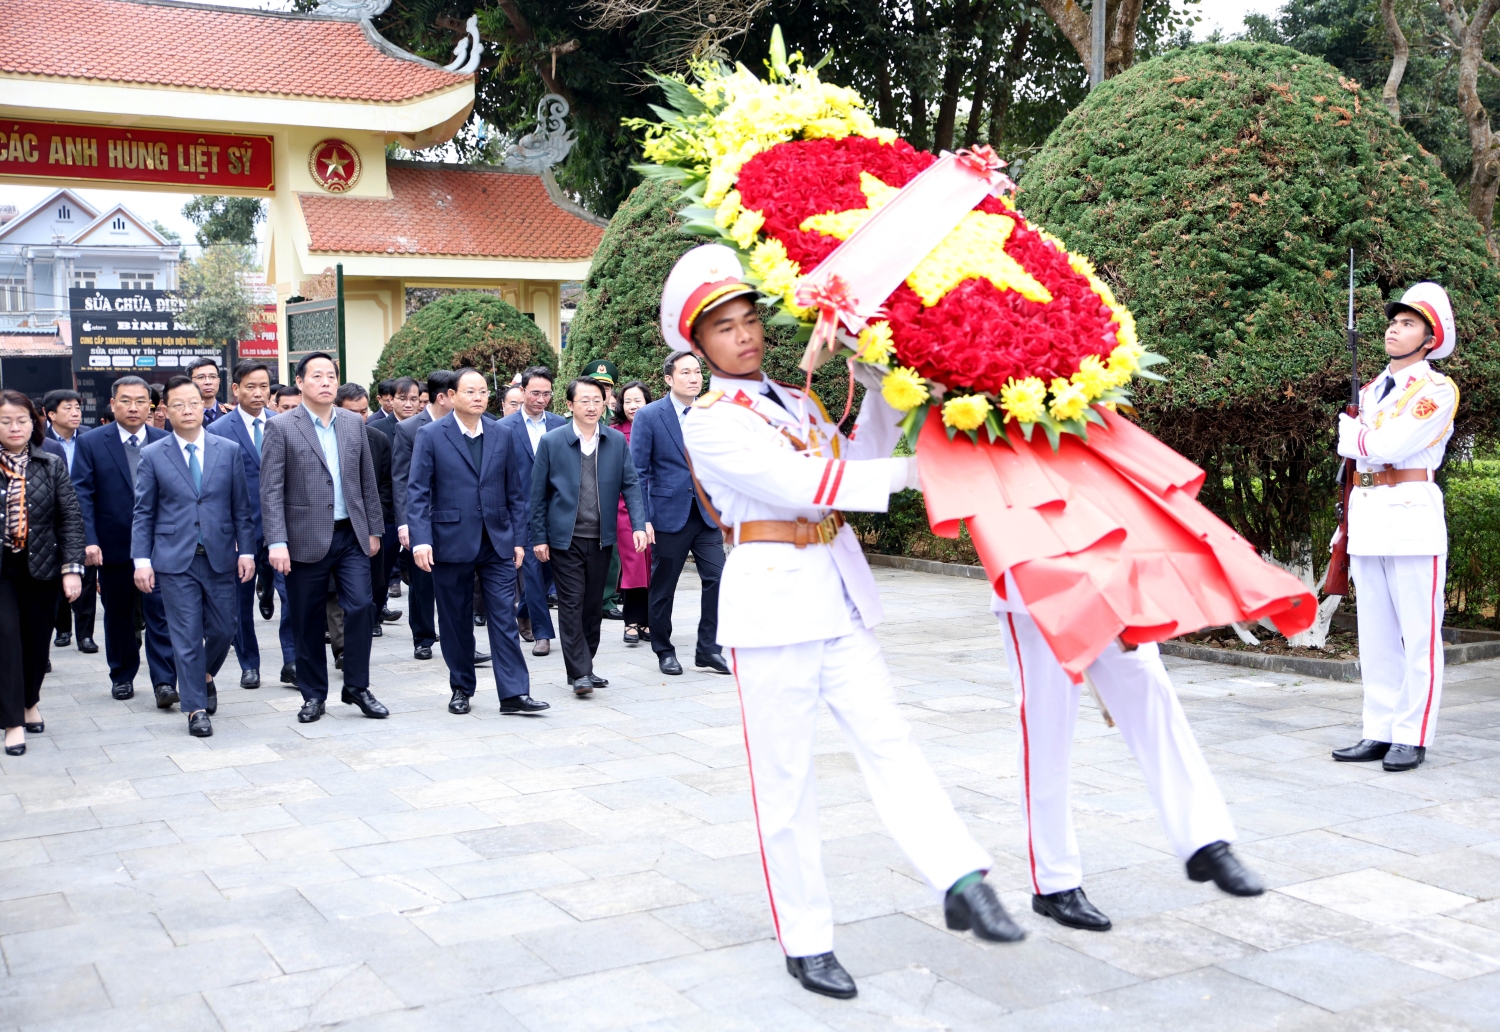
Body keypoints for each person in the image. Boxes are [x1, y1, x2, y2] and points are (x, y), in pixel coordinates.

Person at [666, 244, 1020, 998]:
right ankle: (806, 937)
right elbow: (805, 484)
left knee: (891, 743)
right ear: (697, 346)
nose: (746, 335)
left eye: (750, 319)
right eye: (724, 328)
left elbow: (858, 450)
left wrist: (875, 375)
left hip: (835, 597)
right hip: (769, 612)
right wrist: (916, 474)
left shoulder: (799, 400)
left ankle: (960, 877)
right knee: (786, 784)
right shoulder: (710, 421)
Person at [1333, 283, 1459, 773]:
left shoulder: (1436, 390)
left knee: (1419, 634)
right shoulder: (1368, 391)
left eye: (1408, 323)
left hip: (1411, 516)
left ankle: (1413, 734)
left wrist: (1356, 436)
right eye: (1393, 321)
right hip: (1368, 515)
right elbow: (1370, 448)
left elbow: (1391, 443)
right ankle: (1379, 729)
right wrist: (1365, 441)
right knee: (1376, 635)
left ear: (1430, 340)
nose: (1394, 328)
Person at [408, 368, 545, 715]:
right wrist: (421, 540)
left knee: (503, 616)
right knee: (455, 619)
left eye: (483, 391)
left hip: (496, 542)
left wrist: (517, 538)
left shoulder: (501, 433)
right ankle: (461, 687)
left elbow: (514, 490)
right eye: (470, 391)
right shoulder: (431, 435)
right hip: (449, 541)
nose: (478, 397)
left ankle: (514, 693)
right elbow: (418, 492)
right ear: (451, 396)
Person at [260, 353, 388, 724]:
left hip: (350, 534)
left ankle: (357, 687)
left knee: (363, 606)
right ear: (300, 383)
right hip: (303, 538)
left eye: (331, 376)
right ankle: (314, 695)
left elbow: (367, 479)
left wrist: (374, 529)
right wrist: (277, 542)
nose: (326, 382)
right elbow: (270, 490)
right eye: (317, 376)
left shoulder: (351, 422)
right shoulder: (282, 426)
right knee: (306, 617)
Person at [131, 376, 256, 737]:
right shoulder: (153, 455)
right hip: (173, 558)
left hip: (219, 554)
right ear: (165, 411)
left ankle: (203, 675)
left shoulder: (227, 449)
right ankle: (195, 708)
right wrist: (142, 560)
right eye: (178, 405)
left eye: (193, 403)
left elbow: (240, 508)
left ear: (204, 406)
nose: (187, 410)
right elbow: (144, 512)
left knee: (224, 628)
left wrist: (246, 550)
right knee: (185, 634)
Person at [529, 377, 646, 696]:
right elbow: (537, 495)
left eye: (597, 400)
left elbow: (631, 485)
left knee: (593, 607)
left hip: (602, 538)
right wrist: (538, 537)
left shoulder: (615, 441)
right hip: (564, 539)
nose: (592, 406)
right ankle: (580, 672)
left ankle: (585, 665)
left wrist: (639, 524)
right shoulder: (552, 442)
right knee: (571, 603)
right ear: (569, 405)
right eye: (584, 400)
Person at [72, 376, 177, 704]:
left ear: (151, 406)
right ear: (113, 404)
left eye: (141, 401)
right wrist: (90, 541)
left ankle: (164, 681)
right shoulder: (92, 442)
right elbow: (82, 495)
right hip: (113, 546)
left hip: (160, 545)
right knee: (118, 614)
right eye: (126, 401)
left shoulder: (165, 440)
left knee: (161, 613)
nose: (134, 407)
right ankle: (122, 674)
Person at [630, 351, 728, 676]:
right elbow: (638, 473)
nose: (693, 377)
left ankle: (708, 649)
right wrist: (642, 518)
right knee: (664, 586)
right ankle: (664, 649)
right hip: (668, 515)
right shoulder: (649, 416)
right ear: (669, 379)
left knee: (718, 579)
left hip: (706, 513)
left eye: (697, 371)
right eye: (685, 372)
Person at [0, 390, 84, 757]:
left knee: (37, 644)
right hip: (3, 570)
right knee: (6, 642)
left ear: (34, 423)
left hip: (41, 567)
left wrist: (71, 570)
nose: (14, 428)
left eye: (21, 420)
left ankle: (29, 701)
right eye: (5, 421)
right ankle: (12, 722)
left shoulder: (50, 463)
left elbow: (70, 520)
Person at [206, 360, 282, 690]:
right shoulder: (219, 431)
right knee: (240, 603)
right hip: (241, 532)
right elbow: (215, 488)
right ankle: (249, 664)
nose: (258, 393)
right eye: (250, 386)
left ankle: (292, 660)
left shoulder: (284, 424)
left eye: (264, 386)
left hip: (282, 529)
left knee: (292, 598)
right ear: (235, 389)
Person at [393, 371, 459, 662]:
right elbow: (402, 479)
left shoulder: (463, 424)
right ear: (443, 397)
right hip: (421, 517)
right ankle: (423, 637)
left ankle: (458, 638)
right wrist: (405, 522)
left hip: (455, 518)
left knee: (455, 581)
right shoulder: (409, 429)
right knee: (421, 581)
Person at [500, 367, 565, 657]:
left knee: (551, 570)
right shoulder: (505, 428)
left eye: (546, 393)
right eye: (535, 392)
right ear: (523, 391)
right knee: (533, 572)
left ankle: (524, 610)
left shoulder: (561, 424)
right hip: (522, 512)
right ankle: (542, 633)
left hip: (557, 511)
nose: (541, 399)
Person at [336, 384, 401, 630]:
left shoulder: (378, 438)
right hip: (336, 524)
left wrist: (378, 517)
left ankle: (372, 617)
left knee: (375, 577)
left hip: (371, 523)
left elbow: (386, 483)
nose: (360, 418)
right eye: (353, 412)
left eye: (364, 412)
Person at [43, 389, 97, 655]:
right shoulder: (40, 441)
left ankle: (85, 634)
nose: (76, 412)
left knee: (85, 573)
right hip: (51, 517)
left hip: (85, 513)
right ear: (50, 414)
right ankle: (62, 627)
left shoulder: (89, 438)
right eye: (68, 408)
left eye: (77, 406)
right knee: (55, 571)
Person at [612, 380, 654, 646]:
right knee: (633, 566)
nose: (633, 406)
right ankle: (631, 622)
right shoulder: (614, 432)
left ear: (647, 401)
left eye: (638, 400)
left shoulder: (655, 427)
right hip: (623, 509)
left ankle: (650, 621)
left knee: (653, 567)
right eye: (627, 401)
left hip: (653, 505)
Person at [185, 357, 231, 425]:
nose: (208, 382)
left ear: (219, 381)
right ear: (189, 382)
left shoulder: (231, 413)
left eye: (213, 376)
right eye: (201, 377)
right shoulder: (183, 414)